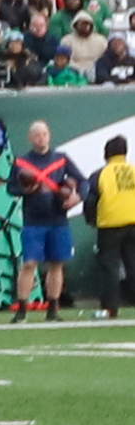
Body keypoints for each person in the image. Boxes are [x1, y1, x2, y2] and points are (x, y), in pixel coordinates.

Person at [8, 120, 87, 321]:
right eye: (37, 135)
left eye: (44, 134)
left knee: (56, 264)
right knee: (29, 263)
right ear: (30, 138)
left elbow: (83, 181)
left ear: (49, 136)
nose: (41, 138)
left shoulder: (61, 159)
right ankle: (22, 309)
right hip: (33, 220)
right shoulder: (21, 162)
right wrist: (26, 190)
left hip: (58, 219)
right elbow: (11, 188)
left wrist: (77, 197)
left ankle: (53, 308)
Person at [92, 132, 135, 319]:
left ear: (106, 154)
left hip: (110, 226)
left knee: (110, 268)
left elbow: (91, 200)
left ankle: (110, 308)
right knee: (133, 265)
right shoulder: (133, 171)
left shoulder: (101, 174)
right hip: (133, 222)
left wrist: (92, 220)